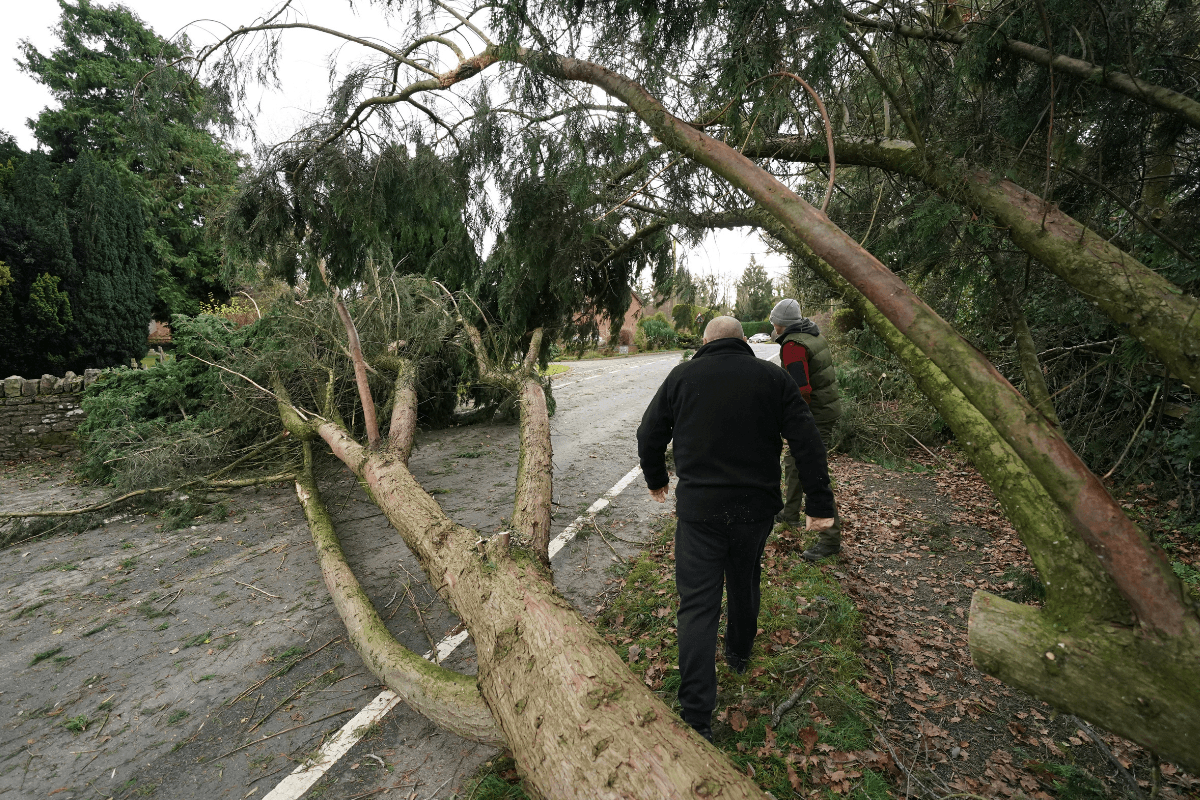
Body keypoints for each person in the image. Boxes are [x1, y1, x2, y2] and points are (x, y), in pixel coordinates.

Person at [636, 315, 837, 742]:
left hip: (700, 513)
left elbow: (649, 433)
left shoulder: (682, 376)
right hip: (754, 510)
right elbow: (807, 441)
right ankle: (739, 654)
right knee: (744, 579)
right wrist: (819, 504)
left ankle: (696, 716)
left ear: (705, 341)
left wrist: (657, 479)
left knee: (696, 605)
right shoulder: (772, 377)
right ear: (744, 340)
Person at [769, 298, 843, 560]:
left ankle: (830, 539)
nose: (773, 325)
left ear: (780, 324)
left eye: (774, 321)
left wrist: (792, 420)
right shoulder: (812, 334)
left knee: (813, 470)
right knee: (793, 461)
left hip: (815, 415)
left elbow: (802, 392)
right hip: (825, 410)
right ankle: (790, 514)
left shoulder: (792, 347)